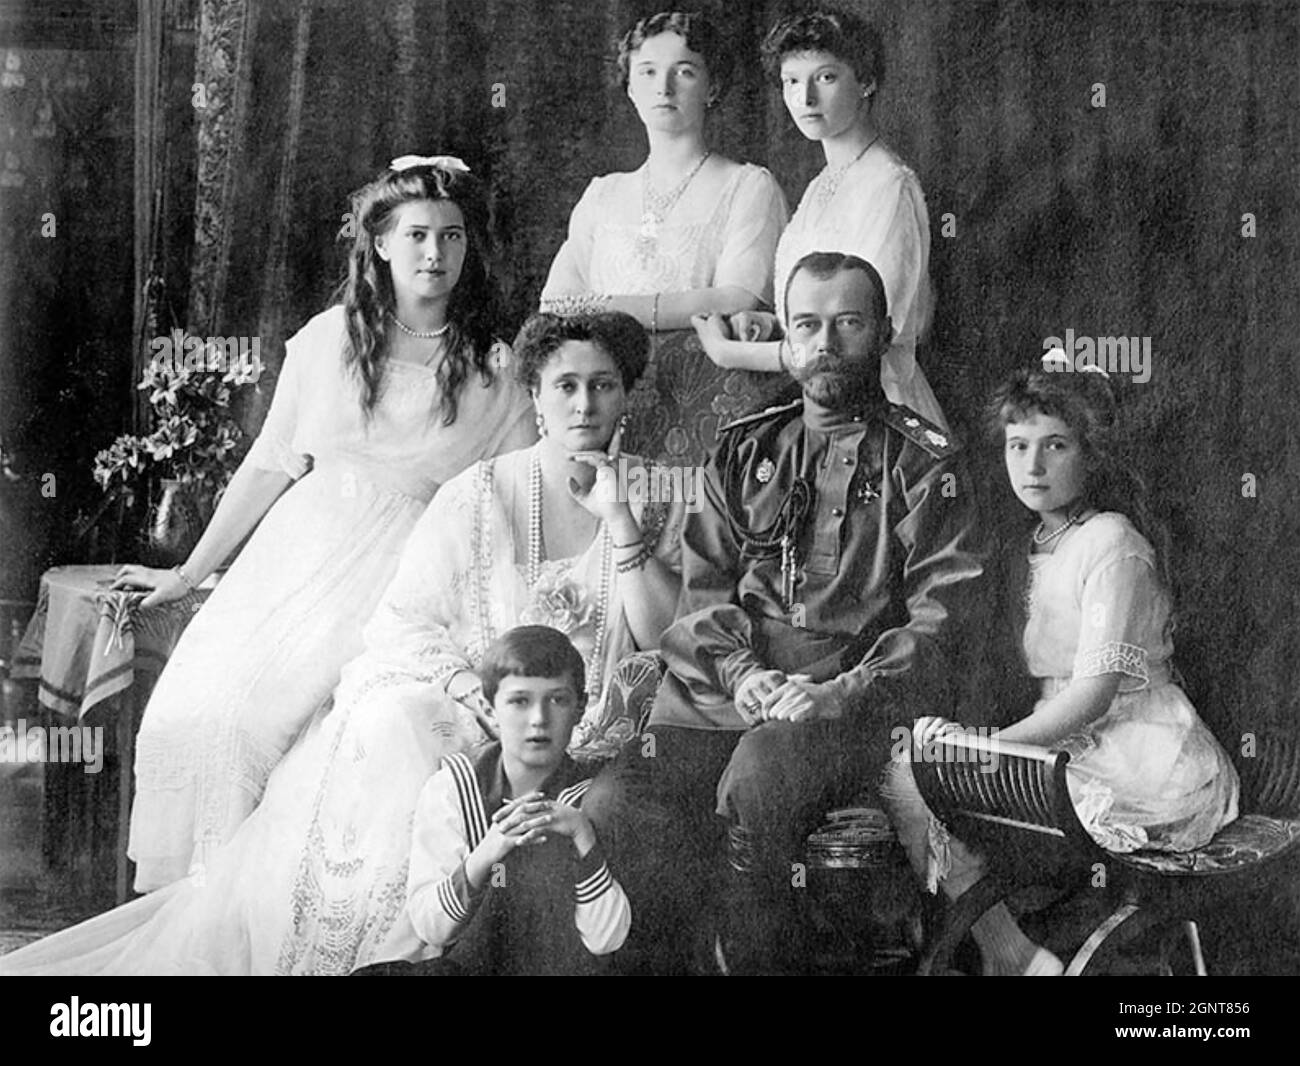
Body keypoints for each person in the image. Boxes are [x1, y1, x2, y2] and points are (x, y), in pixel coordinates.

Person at [0, 312, 682, 976]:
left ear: (625, 398)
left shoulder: (654, 494)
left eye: (603, 385)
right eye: (566, 385)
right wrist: (466, 687)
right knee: (396, 726)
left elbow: (663, 639)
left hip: (592, 728)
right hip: (476, 709)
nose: (585, 403)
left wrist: (619, 521)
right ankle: (387, 960)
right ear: (533, 395)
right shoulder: (476, 493)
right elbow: (402, 619)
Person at [114, 155, 535, 892]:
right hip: (295, 553)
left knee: (281, 735)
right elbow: (269, 464)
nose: (435, 254)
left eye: (452, 236)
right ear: (379, 244)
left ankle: (261, 914)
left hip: (403, 569)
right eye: (416, 236)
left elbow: (516, 495)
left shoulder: (494, 368)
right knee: (192, 716)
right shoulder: (330, 339)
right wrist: (188, 573)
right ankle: (198, 908)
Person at [584, 251, 987, 975]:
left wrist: (839, 691)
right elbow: (701, 596)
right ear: (788, 339)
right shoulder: (745, 449)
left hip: (849, 707)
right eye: (808, 324)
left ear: (885, 331)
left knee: (758, 778)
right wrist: (741, 675)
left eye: (848, 323)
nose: (826, 343)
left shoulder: (928, 465)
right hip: (725, 694)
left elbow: (942, 621)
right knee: (615, 805)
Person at [878, 356, 1240, 976]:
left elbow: (1093, 696)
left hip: (1139, 753)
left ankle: (1016, 959)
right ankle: (1011, 955)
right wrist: (956, 735)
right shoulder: (1030, 543)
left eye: (1055, 445)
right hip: (1061, 741)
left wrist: (984, 745)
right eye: (1018, 446)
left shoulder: (1112, 541)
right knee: (910, 769)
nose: (1033, 465)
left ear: (1091, 454)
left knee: (924, 773)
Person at [540, 10, 791, 462]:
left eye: (685, 72)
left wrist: (610, 306)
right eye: (648, 72)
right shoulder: (603, 194)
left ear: (712, 88)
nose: (664, 87)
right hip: (601, 409)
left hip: (705, 412)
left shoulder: (748, 187)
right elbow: (555, 305)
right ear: (631, 88)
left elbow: (738, 298)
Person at [692, 7, 947, 429]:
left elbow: (857, 340)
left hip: (872, 409)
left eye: (825, 78)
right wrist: (771, 322)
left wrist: (730, 353)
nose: (804, 99)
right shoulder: (822, 185)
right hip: (818, 402)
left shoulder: (887, 185)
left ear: (866, 81)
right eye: (791, 82)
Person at [353, 626, 631, 976]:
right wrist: (488, 851)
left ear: (580, 708)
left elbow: (608, 939)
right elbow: (431, 928)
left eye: (557, 699)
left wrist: (583, 835)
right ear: (488, 707)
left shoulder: (591, 797)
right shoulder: (455, 787)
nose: (539, 719)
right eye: (519, 701)